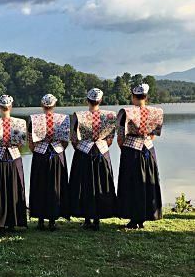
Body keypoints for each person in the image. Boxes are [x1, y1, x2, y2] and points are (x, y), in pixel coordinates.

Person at [68, 89, 117, 231]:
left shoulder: (79, 115)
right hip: (101, 152)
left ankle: (87, 218)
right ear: (100, 100)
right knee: (101, 184)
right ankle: (97, 218)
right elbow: (110, 139)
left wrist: (81, 147)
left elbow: (74, 138)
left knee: (85, 185)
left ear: (87, 100)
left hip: (84, 152)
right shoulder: (110, 115)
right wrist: (101, 145)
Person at [117, 83, 163, 229]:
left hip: (131, 150)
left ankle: (133, 219)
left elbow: (120, 137)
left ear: (133, 96)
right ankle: (143, 217)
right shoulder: (157, 112)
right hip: (149, 149)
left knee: (131, 183)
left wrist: (124, 149)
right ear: (146, 96)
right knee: (147, 182)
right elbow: (153, 135)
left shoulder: (126, 112)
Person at [28, 94, 70, 231]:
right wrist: (59, 148)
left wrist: (38, 150)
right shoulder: (63, 119)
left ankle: (40, 219)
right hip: (57, 154)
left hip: (40, 154)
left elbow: (31, 143)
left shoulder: (34, 119)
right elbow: (65, 141)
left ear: (42, 105)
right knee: (55, 186)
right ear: (54, 105)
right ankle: (53, 219)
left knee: (40, 185)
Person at [0, 95, 28, 234]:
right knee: (15, 189)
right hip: (14, 157)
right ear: (11, 106)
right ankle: (14, 221)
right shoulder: (20, 123)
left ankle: (0, 223)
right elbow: (21, 145)